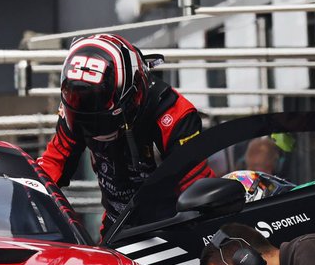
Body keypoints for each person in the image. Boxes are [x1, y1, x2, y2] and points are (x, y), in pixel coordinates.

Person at [38, 33, 215, 235]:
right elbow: (51, 166)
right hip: (119, 226)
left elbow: (198, 192)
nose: (94, 130)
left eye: (101, 119)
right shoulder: (76, 107)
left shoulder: (173, 114)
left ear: (134, 94)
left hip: (174, 227)